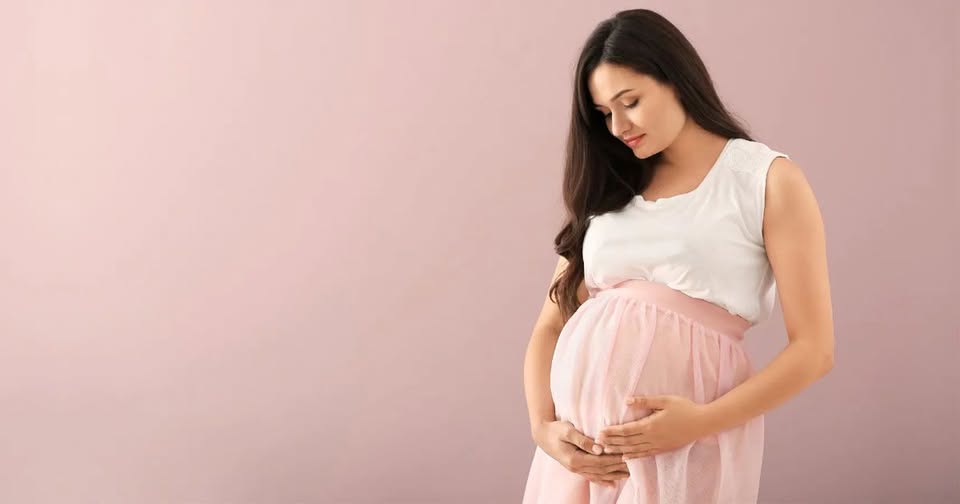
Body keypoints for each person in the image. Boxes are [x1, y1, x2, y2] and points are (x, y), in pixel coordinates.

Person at [521, 8, 835, 504]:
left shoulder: (764, 180)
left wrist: (701, 422)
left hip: (688, 443)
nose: (618, 126)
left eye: (631, 102)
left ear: (677, 79)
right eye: (604, 113)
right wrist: (543, 428)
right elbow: (550, 325)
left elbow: (814, 350)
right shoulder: (610, 185)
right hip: (579, 457)